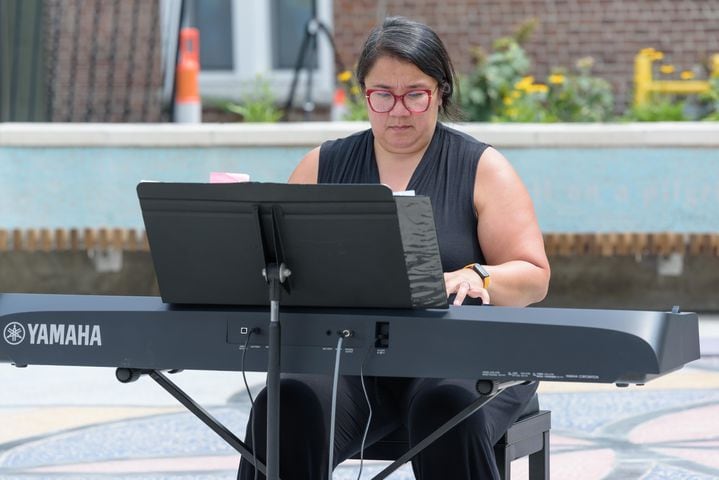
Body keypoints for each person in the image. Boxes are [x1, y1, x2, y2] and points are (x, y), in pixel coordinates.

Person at [239, 16, 550, 480]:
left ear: (441, 92)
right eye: (382, 95)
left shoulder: (482, 167)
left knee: (446, 406)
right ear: (364, 93)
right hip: (351, 359)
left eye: (415, 95)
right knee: (285, 404)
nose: (398, 111)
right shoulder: (321, 165)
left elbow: (533, 276)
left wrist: (478, 276)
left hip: (460, 358)